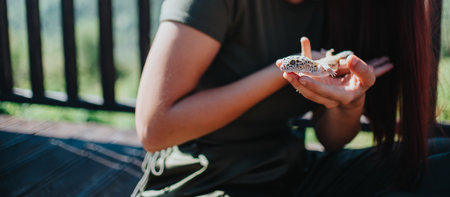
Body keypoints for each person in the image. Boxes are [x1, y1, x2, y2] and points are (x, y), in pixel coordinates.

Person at [132, 0, 449, 196]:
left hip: (291, 173)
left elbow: (332, 140)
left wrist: (349, 103)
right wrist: (289, 68)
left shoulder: (339, 9)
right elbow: (154, 129)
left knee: (441, 162)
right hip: (205, 180)